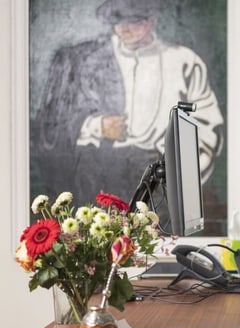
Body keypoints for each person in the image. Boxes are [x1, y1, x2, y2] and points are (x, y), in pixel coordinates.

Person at [35, 0, 224, 209]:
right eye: (117, 20)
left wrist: (178, 178)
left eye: (133, 21)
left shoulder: (183, 62)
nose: (123, 29)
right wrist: (98, 126)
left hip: (157, 185)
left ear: (151, 19)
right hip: (98, 181)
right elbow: (54, 122)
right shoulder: (84, 60)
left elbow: (207, 127)